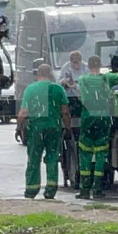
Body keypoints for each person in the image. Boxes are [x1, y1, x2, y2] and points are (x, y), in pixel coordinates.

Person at [17, 63, 72, 199]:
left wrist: (18, 128)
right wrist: (68, 128)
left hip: (36, 128)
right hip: (54, 126)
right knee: (52, 158)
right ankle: (50, 190)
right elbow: (65, 112)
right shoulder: (58, 89)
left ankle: (31, 190)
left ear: (37, 74)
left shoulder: (31, 89)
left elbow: (23, 113)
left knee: (33, 159)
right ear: (50, 74)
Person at [75, 55, 118, 199]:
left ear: (88, 66)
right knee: (101, 154)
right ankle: (97, 189)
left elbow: (77, 93)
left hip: (88, 118)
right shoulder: (107, 78)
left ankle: (84, 189)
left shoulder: (82, 80)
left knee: (85, 153)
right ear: (100, 64)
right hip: (103, 118)